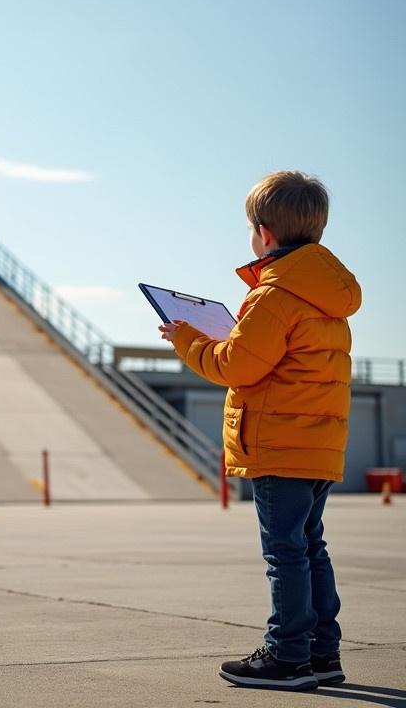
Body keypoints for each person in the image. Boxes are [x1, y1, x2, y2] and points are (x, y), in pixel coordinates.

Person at [159, 170, 361, 692]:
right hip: (316, 446)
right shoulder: (327, 296)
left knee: (285, 553)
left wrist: (187, 340)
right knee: (309, 546)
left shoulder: (275, 295)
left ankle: (286, 656)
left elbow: (237, 366)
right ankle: (322, 653)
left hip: (277, 445)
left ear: (264, 234)